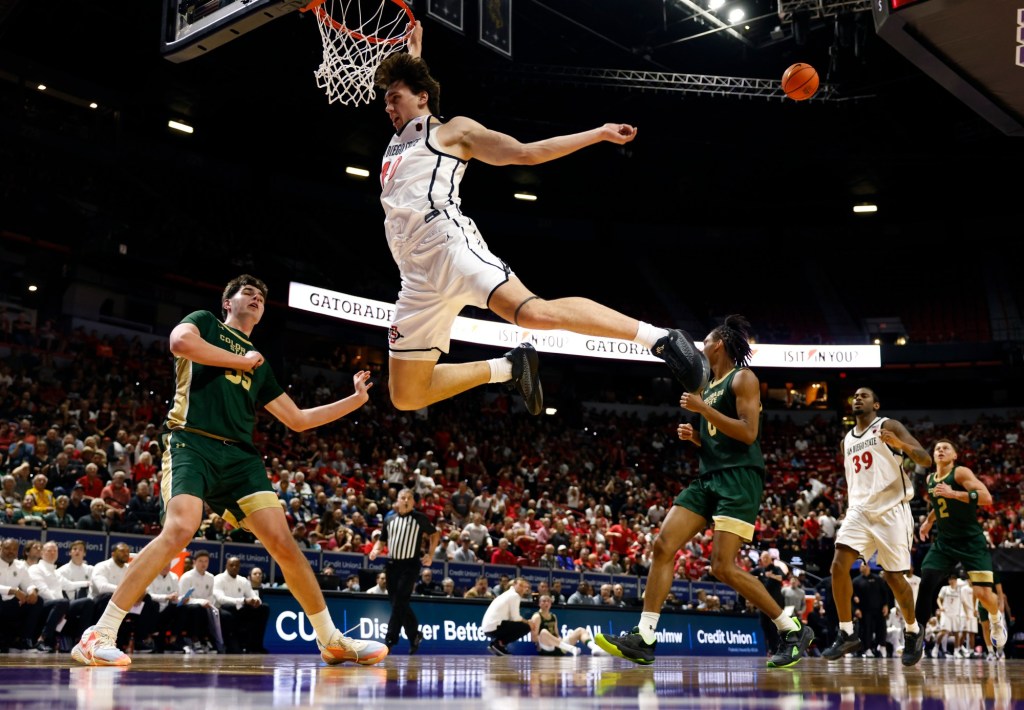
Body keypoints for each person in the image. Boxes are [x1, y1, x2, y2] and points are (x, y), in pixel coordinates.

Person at [369, 22, 709, 418]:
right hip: (414, 275)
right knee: (406, 395)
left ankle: (661, 338)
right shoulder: (399, 139)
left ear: (422, 98)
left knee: (533, 313)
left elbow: (526, 153)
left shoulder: (451, 132)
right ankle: (509, 367)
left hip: (449, 247)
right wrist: (414, 52)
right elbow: (413, 85)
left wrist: (598, 133)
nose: (388, 107)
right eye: (387, 100)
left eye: (394, 98)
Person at [70, 274, 387, 667]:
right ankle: (98, 633)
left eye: (261, 298)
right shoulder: (205, 322)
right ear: (228, 302)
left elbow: (299, 419)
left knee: (284, 543)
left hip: (240, 458)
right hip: (192, 440)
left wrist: (354, 401)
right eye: (247, 293)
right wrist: (241, 360)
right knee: (181, 528)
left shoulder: (261, 364)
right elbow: (178, 342)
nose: (255, 299)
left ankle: (331, 640)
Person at [595, 315, 813, 668]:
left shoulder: (743, 378)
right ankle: (645, 636)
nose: (699, 347)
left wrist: (703, 409)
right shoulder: (706, 385)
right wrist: (696, 436)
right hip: (708, 477)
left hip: (739, 479)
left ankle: (790, 629)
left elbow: (747, 434)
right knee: (663, 545)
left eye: (705, 341)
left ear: (720, 344)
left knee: (722, 567)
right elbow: (718, 439)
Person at [821, 387, 933, 666]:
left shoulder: (887, 425)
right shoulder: (846, 440)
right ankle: (846, 632)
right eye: (855, 395)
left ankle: (912, 629)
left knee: (894, 578)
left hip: (892, 510)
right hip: (859, 510)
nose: (857, 398)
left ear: (876, 404)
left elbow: (925, 459)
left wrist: (901, 444)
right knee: (837, 566)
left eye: (864, 395)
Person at [912, 438, 1008, 659]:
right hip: (945, 541)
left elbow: (986, 498)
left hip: (970, 541)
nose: (941, 450)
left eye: (946, 448)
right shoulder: (930, 479)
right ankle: (916, 636)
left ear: (954, 455)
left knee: (983, 593)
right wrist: (929, 521)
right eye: (937, 448)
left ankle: (995, 620)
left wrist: (954, 493)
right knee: (926, 578)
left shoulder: (960, 473)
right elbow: (939, 504)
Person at [368, 487, 438, 654]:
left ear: (413, 502)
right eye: (402, 497)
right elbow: (382, 541)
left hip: (410, 565)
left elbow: (435, 535)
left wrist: (430, 554)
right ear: (397, 501)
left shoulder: (420, 519)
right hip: (392, 565)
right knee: (397, 602)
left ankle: (389, 640)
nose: (405, 500)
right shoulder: (389, 520)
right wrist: (376, 549)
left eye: (409, 498)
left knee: (400, 600)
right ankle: (414, 635)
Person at [28, 541, 81, 652]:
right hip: (44, 606)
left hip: (60, 606)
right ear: (42, 553)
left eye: (55, 551)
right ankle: (42, 639)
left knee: (88, 603)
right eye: (49, 551)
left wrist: (88, 583)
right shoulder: (35, 569)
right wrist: (61, 603)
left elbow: (70, 585)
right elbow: (42, 590)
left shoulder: (56, 572)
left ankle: (81, 642)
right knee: (63, 602)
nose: (52, 553)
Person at [214, 556, 270, 653]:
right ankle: (231, 644)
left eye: (237, 566)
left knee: (263, 608)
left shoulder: (243, 580)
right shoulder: (218, 579)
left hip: (240, 610)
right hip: (223, 610)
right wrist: (243, 601)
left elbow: (253, 595)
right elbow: (221, 599)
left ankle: (256, 646)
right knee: (228, 609)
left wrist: (256, 601)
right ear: (226, 566)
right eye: (232, 565)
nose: (234, 567)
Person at [531, 593, 608, 656]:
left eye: (548, 601)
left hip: (559, 647)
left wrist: (558, 639)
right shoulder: (537, 616)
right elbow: (534, 638)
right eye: (544, 601)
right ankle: (571, 649)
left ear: (551, 603)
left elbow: (557, 634)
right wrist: (550, 640)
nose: (546, 603)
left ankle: (594, 648)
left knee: (580, 630)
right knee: (543, 632)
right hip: (546, 648)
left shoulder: (553, 616)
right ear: (539, 603)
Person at [480, 576, 538, 656]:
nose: (522, 588)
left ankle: (498, 644)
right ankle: (499, 644)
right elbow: (516, 618)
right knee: (526, 627)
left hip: (488, 628)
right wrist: (528, 622)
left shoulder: (508, 594)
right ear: (514, 584)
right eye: (520, 585)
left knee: (520, 625)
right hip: (494, 627)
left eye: (525, 587)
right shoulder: (514, 595)